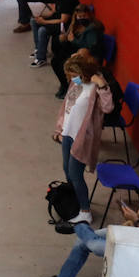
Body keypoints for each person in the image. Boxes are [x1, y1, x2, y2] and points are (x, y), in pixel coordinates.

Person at [51, 52, 116, 226]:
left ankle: (85, 211)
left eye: (73, 75)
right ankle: (76, 200)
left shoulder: (96, 86)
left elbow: (108, 107)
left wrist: (103, 86)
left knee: (75, 173)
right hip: (67, 132)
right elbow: (67, 105)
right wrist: (59, 128)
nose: (71, 79)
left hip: (82, 137)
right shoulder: (77, 82)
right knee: (67, 169)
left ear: (85, 72)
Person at [51, 4, 106, 97]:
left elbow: (90, 47)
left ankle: (66, 86)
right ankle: (64, 84)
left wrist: (74, 41)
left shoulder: (93, 29)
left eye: (84, 16)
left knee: (63, 63)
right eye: (79, 16)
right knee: (56, 60)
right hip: (77, 52)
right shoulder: (77, 25)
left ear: (89, 15)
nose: (81, 18)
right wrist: (66, 39)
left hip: (89, 56)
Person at [31, 0, 78, 67]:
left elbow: (63, 20)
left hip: (65, 25)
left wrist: (45, 22)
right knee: (34, 21)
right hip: (58, 19)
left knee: (42, 30)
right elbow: (54, 12)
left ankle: (41, 58)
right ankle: (39, 49)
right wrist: (42, 17)